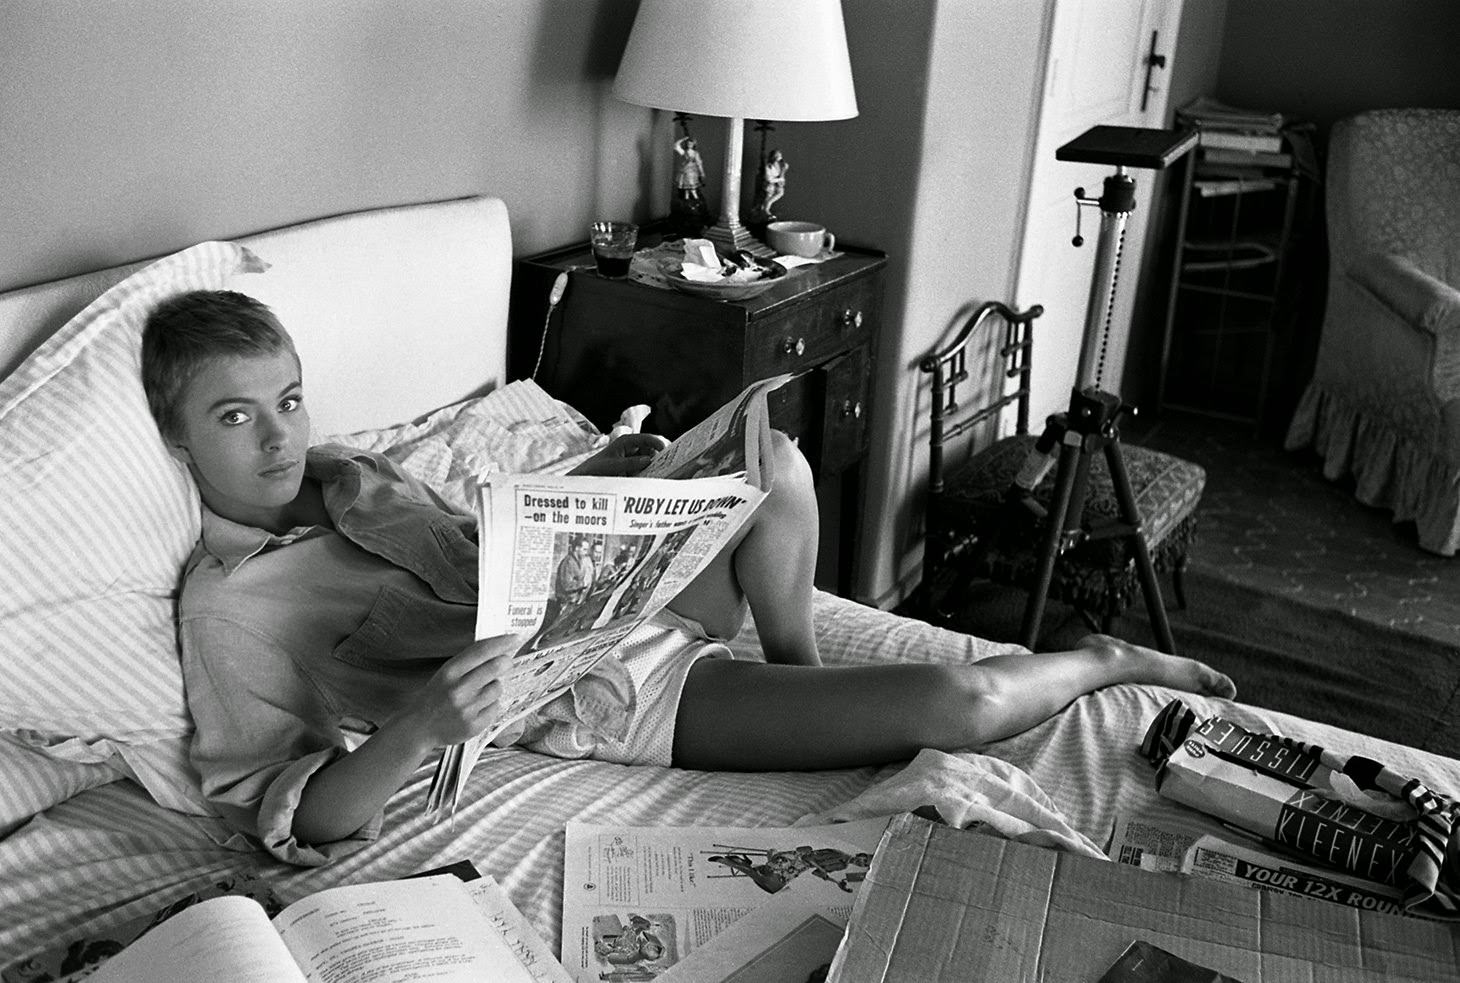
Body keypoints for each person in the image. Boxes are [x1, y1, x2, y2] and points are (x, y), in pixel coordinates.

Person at [141, 289, 1236, 865]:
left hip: (616, 605)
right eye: (235, 416)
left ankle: (801, 679)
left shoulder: (353, 474)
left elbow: (493, 555)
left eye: (287, 398)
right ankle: (1102, 655)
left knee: (776, 464)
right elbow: (286, 817)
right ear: (178, 442)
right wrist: (422, 725)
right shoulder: (226, 609)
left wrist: (612, 484)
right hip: (609, 692)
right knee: (969, 698)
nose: (280, 437)